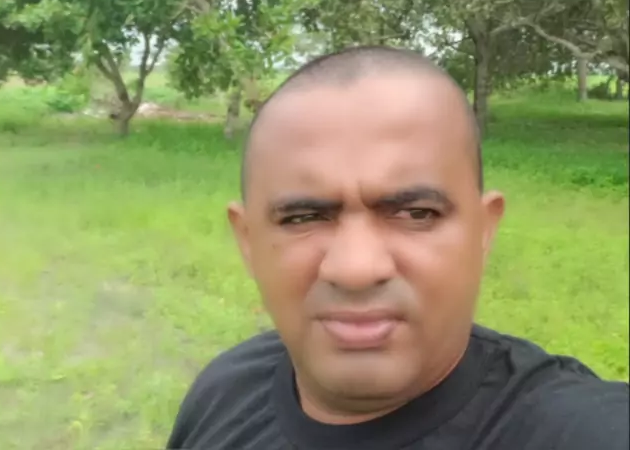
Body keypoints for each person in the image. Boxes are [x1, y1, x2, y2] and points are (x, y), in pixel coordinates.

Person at [165, 45, 630, 450]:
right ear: (248, 242)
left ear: (483, 232)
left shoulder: (575, 430)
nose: (355, 268)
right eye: (303, 218)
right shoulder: (224, 394)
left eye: (416, 213)